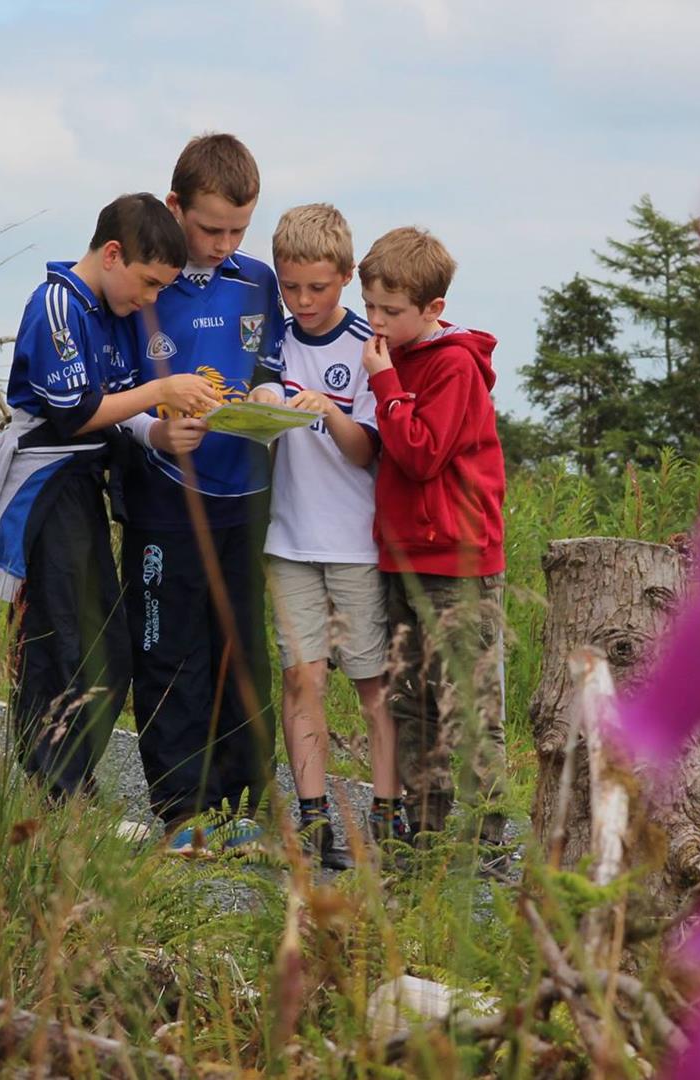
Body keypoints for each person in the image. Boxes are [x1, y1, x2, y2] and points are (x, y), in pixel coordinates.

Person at [0, 194, 219, 799]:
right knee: (62, 638)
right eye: (146, 283)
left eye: (162, 289)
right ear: (112, 255)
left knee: (108, 648)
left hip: (86, 485)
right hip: (46, 486)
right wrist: (160, 390)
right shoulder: (58, 303)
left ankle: (69, 778)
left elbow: (118, 410)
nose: (150, 300)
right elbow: (76, 413)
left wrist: (159, 428)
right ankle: (52, 786)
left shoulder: (115, 310)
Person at [117, 134, 286, 851]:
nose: (223, 243)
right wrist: (153, 432)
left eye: (238, 230)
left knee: (242, 650)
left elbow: (273, 363)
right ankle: (181, 811)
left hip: (244, 494)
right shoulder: (142, 283)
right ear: (176, 205)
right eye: (210, 228)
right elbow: (111, 398)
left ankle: (243, 809)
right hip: (162, 497)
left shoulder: (259, 281)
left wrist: (274, 401)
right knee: (169, 652)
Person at [357, 226, 510, 857]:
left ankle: (486, 843)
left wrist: (385, 385)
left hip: (459, 561)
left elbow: (421, 454)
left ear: (432, 310)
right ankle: (426, 832)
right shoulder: (398, 359)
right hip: (404, 559)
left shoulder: (451, 366)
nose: (377, 322)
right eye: (370, 307)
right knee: (413, 701)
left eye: (391, 312)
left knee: (467, 705)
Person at [264, 204, 399, 869]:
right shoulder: (275, 341)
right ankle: (315, 818)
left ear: (345, 277)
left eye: (317, 287)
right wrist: (258, 409)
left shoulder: (368, 348)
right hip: (288, 540)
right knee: (303, 679)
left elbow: (366, 451)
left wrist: (327, 411)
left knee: (374, 684)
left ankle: (387, 813)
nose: (304, 301)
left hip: (355, 544)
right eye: (291, 287)